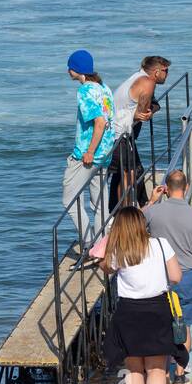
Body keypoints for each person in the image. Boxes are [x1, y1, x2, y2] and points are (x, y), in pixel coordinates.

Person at [100, 207, 181, 384]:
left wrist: (110, 239)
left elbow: (103, 264)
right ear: (142, 224)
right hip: (157, 309)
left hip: (129, 312)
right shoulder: (161, 244)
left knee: (134, 369)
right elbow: (176, 276)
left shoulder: (118, 250)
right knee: (156, 369)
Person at [143, 169, 192, 384]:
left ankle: (158, 371)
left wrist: (151, 200)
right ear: (186, 188)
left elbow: (130, 224)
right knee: (183, 325)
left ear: (165, 188)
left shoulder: (153, 213)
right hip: (185, 276)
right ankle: (180, 374)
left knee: (160, 324)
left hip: (159, 277)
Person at [62, 50, 116, 246]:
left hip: (88, 155)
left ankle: (89, 243)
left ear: (77, 69)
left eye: (71, 67)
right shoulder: (104, 88)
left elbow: (100, 122)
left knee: (69, 201)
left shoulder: (85, 91)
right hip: (106, 153)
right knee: (100, 202)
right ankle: (102, 242)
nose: (68, 70)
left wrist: (90, 151)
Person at [109, 56, 170, 209]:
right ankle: (124, 216)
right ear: (156, 72)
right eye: (165, 71)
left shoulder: (138, 77)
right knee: (128, 176)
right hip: (119, 134)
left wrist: (149, 110)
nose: (167, 74)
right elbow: (143, 113)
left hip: (118, 132)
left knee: (131, 172)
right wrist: (147, 112)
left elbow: (147, 109)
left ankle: (128, 210)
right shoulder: (148, 82)